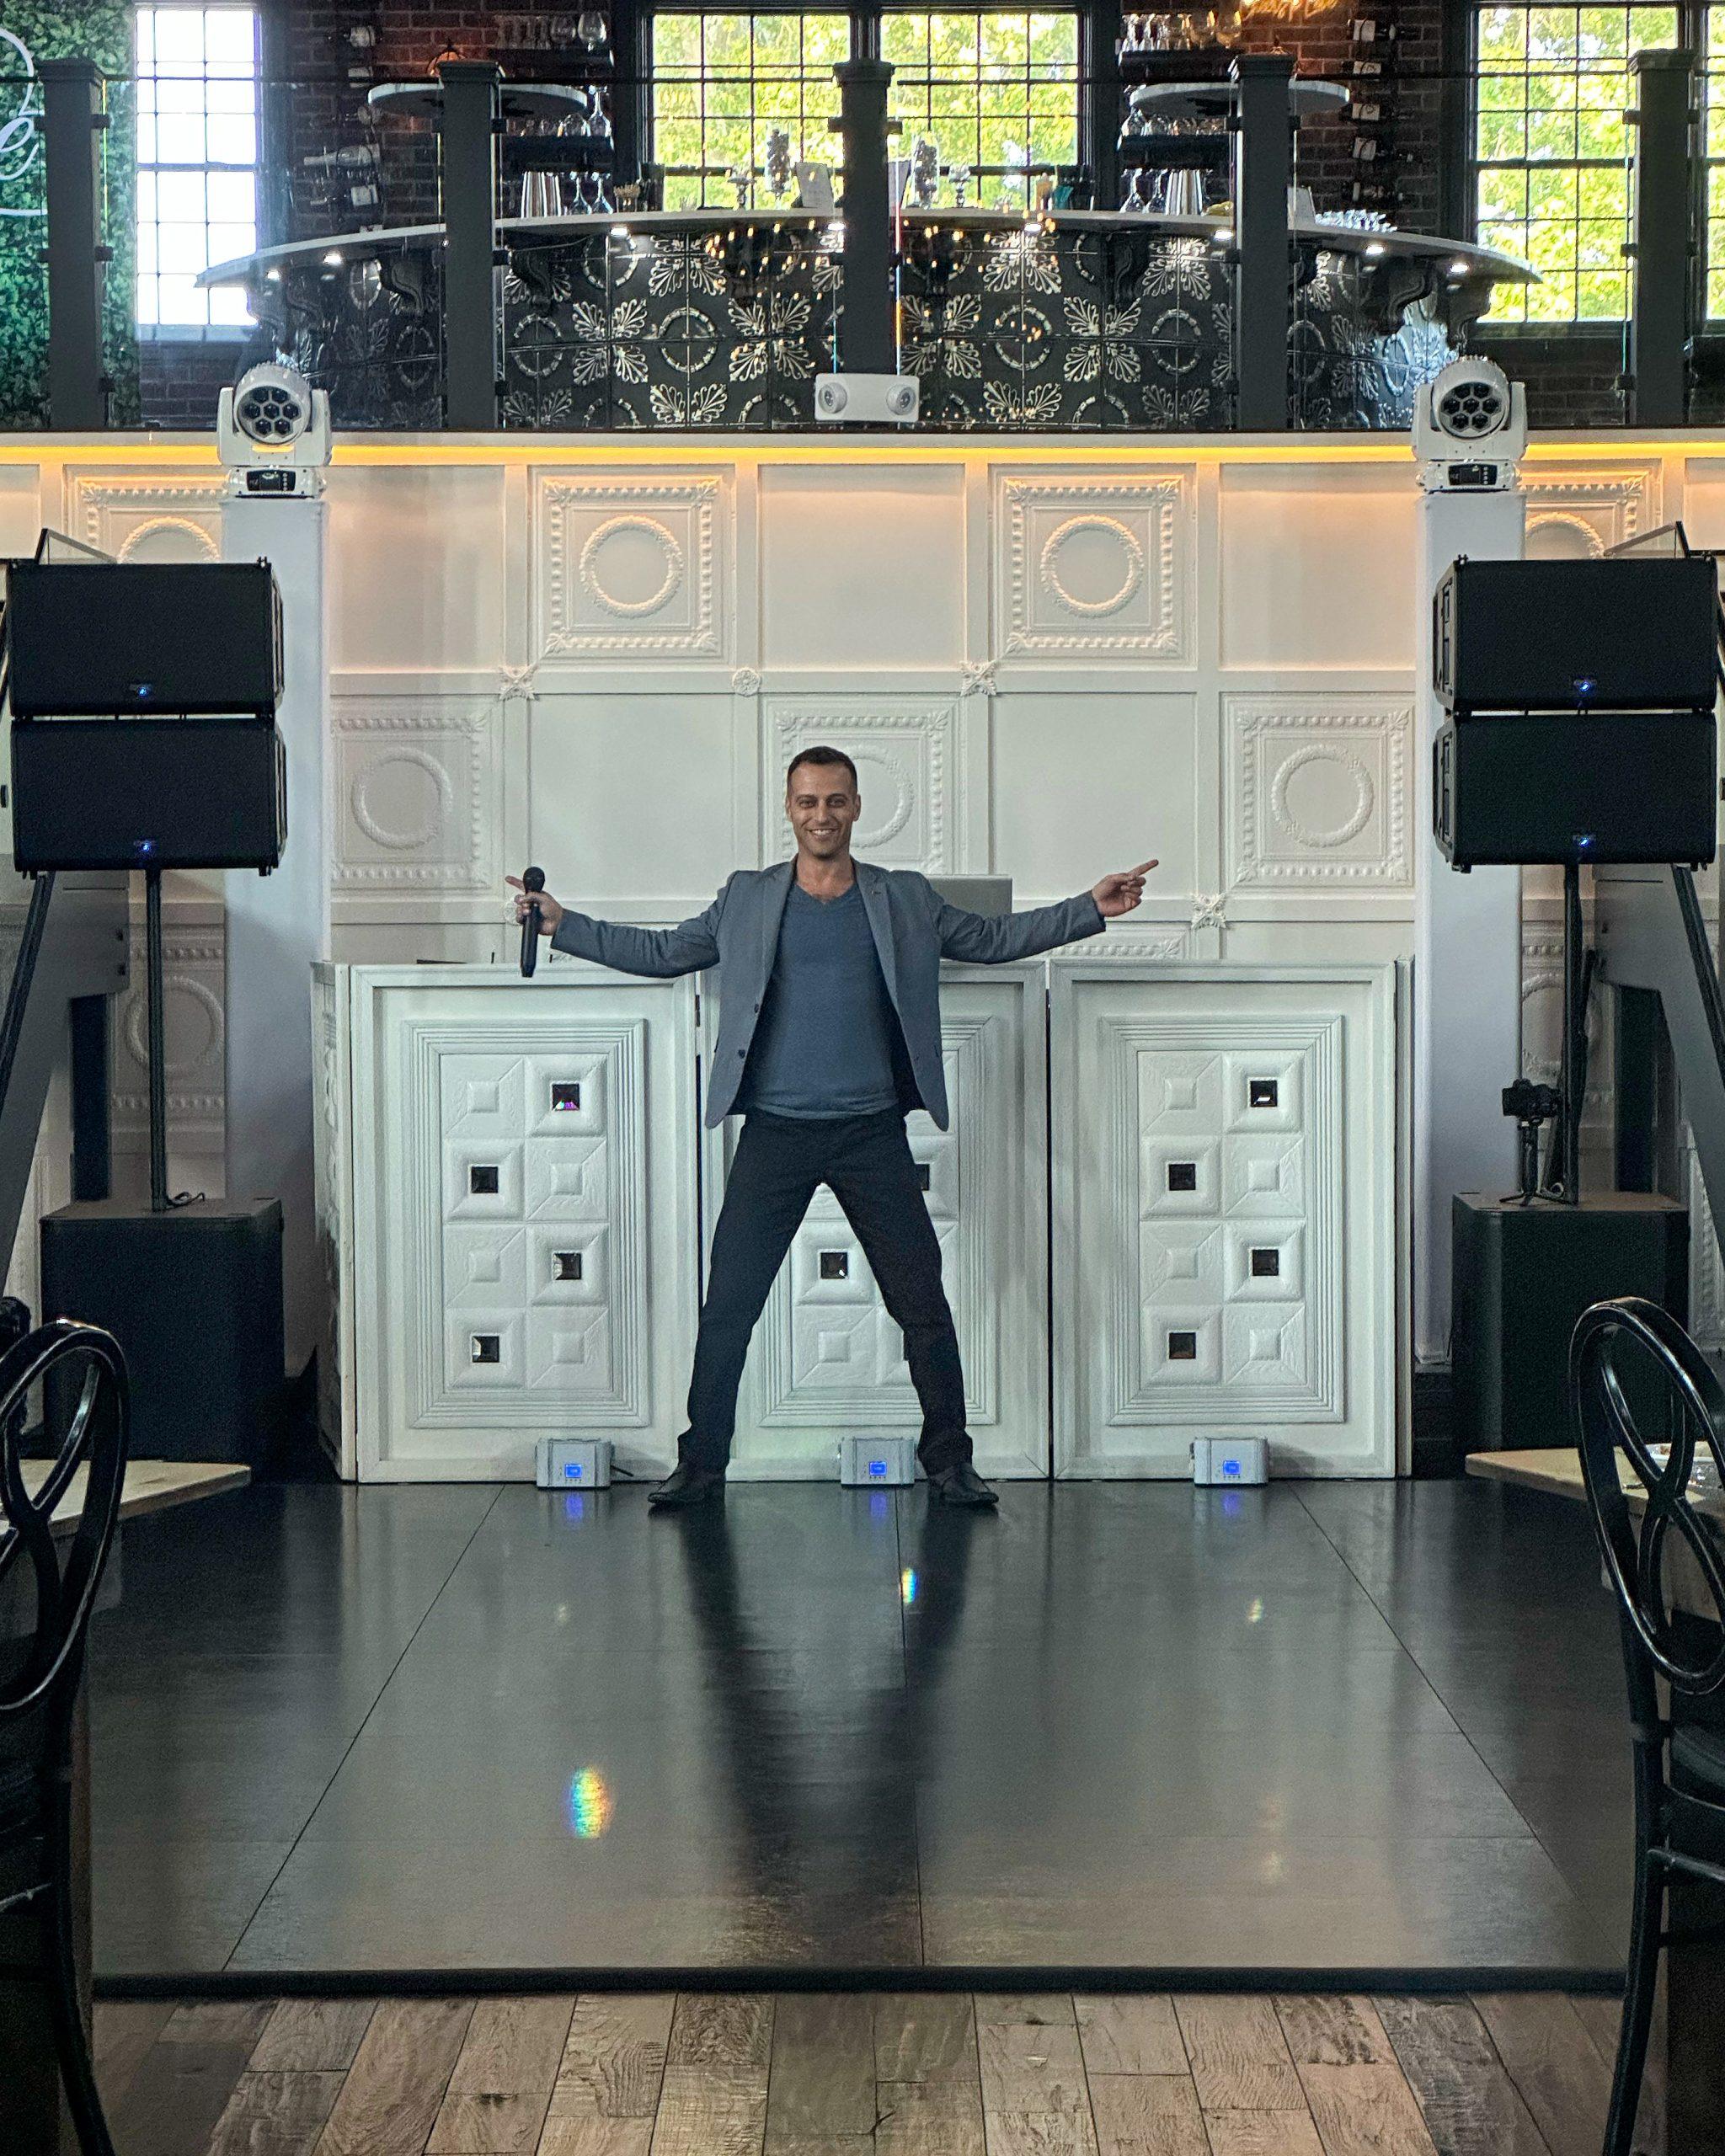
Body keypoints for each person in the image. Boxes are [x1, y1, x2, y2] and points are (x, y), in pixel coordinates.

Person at [510, 745, 1156, 1509]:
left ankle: (950, 1463)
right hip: (775, 1134)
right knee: (729, 1309)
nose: (823, 815)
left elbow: (991, 940)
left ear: (856, 809)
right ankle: (701, 1465)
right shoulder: (747, 897)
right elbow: (662, 952)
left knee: (921, 1305)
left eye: (836, 801)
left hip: (871, 1133)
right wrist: (563, 924)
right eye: (808, 801)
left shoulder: (902, 897)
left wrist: (1089, 908)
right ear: (789, 810)